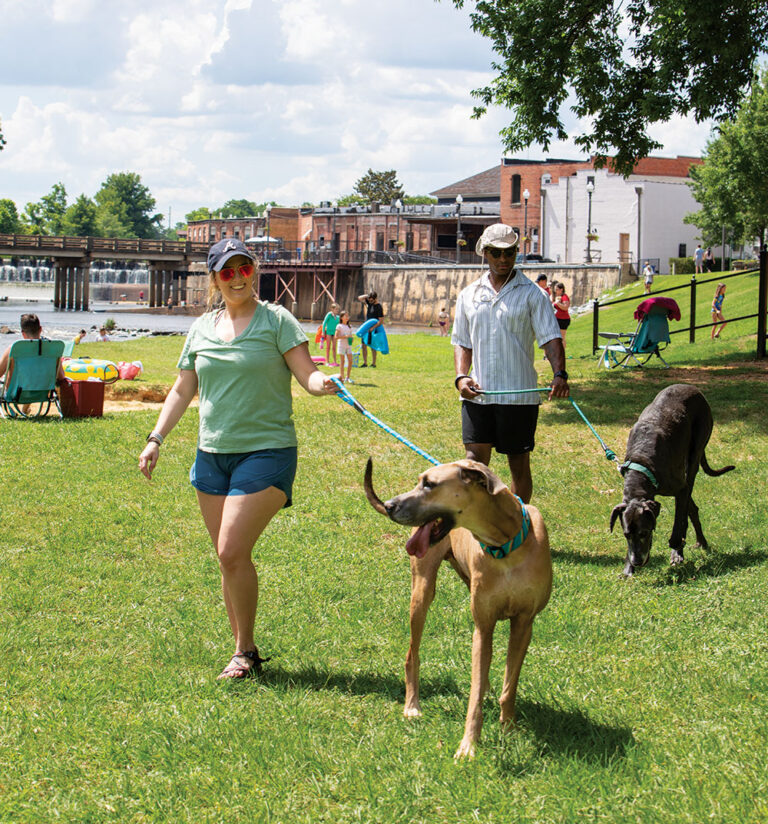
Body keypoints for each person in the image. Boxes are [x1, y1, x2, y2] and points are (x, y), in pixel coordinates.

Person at [138, 238, 340, 680]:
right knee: (228, 558)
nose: (237, 278)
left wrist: (322, 382)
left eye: (244, 267)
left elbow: (306, 372)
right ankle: (241, 651)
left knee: (231, 549)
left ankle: (245, 652)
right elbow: (182, 390)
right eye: (227, 271)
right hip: (211, 455)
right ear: (214, 278)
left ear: (255, 271)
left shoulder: (276, 321)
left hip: (267, 450)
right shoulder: (201, 329)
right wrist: (156, 438)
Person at [452, 224, 570, 503]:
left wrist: (559, 374)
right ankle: (480, 529)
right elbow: (462, 341)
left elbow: (551, 339)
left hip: (519, 396)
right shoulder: (468, 295)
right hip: (478, 396)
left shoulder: (533, 294)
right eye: (496, 252)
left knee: (518, 467)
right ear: (485, 253)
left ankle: (518, 531)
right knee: (474, 465)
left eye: (509, 252)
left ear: (517, 252)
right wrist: (461, 377)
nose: (503, 259)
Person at [0, 314, 66, 412]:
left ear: (23, 333)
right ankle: (24, 410)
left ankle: (21, 410)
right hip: (42, 393)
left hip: (16, 394)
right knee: (33, 376)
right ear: (40, 329)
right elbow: (61, 377)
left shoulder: (14, 349)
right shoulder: (53, 349)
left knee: (23, 378)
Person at [357, 290, 384, 367]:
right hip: (366, 326)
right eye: (369, 300)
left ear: (375, 299)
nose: (370, 301)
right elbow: (359, 298)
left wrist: (373, 328)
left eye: (372, 300)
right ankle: (365, 363)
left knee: (373, 346)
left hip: (374, 328)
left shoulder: (379, 307)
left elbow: (381, 321)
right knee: (363, 345)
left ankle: (373, 363)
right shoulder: (369, 302)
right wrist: (367, 296)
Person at [334, 309, 355, 383]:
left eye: (347, 316)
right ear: (341, 317)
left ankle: (348, 377)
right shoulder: (339, 326)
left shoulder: (350, 326)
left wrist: (351, 339)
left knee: (350, 361)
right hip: (341, 346)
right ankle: (342, 378)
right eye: (345, 316)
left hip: (348, 346)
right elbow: (336, 337)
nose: (347, 317)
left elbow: (351, 336)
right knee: (342, 362)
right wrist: (345, 336)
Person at [552, 281, 571, 347]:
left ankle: (562, 354)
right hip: (558, 318)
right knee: (557, 337)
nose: (555, 291)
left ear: (561, 289)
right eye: (555, 290)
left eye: (557, 289)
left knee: (562, 337)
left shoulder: (564, 297)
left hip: (563, 319)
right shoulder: (558, 297)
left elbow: (566, 307)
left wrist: (558, 303)